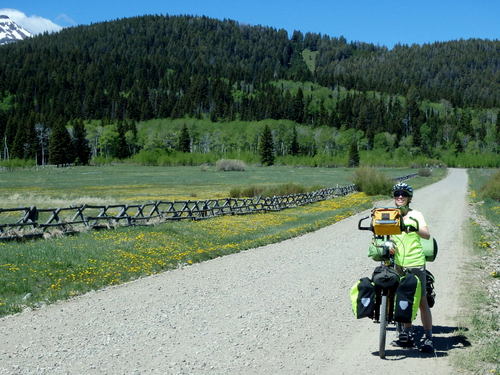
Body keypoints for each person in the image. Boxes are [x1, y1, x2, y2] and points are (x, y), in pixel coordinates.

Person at [390, 182, 434, 353]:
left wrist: (413, 227)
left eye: (403, 194)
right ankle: (406, 335)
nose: (400, 197)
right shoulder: (390, 214)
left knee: (422, 300)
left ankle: (428, 337)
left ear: (409, 198)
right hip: (398, 263)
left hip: (415, 262)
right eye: (397, 194)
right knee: (404, 299)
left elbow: (427, 234)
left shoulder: (416, 214)